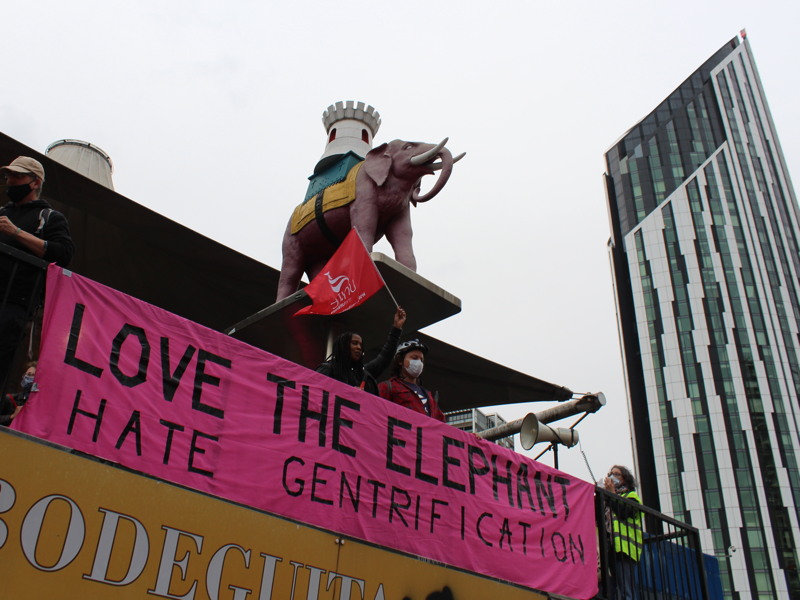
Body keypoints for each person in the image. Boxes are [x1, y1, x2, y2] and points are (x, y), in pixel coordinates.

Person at [0, 157, 74, 391]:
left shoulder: (50, 217)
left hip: (14, 304)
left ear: (35, 182)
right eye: (8, 176)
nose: (10, 181)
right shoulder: (2, 211)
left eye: (17, 176)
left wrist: (17, 232)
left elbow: (63, 253)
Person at [316, 306, 406, 395]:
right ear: (343, 346)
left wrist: (396, 328)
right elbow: (313, 392)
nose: (359, 347)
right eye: (354, 343)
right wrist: (347, 393)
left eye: (360, 345)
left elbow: (384, 357)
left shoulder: (364, 375)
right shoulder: (327, 369)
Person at [378, 338, 445, 421]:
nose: (419, 363)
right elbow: (376, 415)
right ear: (400, 360)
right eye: (414, 358)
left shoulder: (429, 395)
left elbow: (441, 424)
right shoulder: (387, 387)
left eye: (421, 360)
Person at [603, 465, 643, 600]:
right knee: (613, 589)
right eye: (610, 474)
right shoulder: (607, 499)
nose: (612, 477)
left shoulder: (631, 496)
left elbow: (624, 512)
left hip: (625, 550)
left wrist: (611, 493)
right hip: (610, 549)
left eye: (616, 474)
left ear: (624, 479)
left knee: (626, 589)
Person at [0, 361, 35, 426]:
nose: (29, 378)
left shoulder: (39, 405)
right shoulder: (9, 399)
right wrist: (12, 416)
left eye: (34, 376)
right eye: (28, 374)